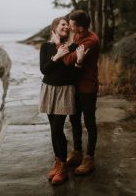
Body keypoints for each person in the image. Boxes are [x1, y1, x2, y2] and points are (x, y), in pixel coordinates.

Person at [39, 16, 88, 185]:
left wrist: (79, 62)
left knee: (56, 128)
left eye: (68, 25)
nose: (66, 26)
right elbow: (44, 70)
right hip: (48, 90)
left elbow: (73, 77)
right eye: (62, 24)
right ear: (54, 29)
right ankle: (59, 162)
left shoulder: (73, 47)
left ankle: (63, 170)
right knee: (54, 130)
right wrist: (56, 55)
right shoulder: (46, 47)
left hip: (65, 91)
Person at [61, 10, 100, 175]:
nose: (69, 27)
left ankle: (89, 158)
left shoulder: (91, 40)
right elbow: (71, 53)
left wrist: (62, 48)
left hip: (88, 87)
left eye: (71, 25)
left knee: (89, 122)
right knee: (74, 119)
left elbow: (69, 60)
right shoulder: (78, 36)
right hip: (76, 85)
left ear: (81, 28)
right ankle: (77, 153)